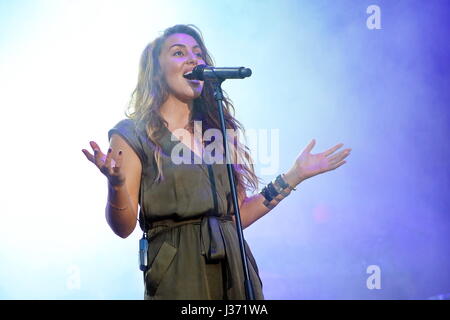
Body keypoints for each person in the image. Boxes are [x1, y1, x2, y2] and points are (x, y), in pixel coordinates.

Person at [81, 24, 351, 300]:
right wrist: (116, 185)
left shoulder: (217, 133)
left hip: (234, 271)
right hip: (178, 272)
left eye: (198, 54)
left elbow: (236, 217)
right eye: (178, 52)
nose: (193, 59)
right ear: (156, 70)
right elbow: (123, 227)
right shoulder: (134, 133)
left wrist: (294, 175)